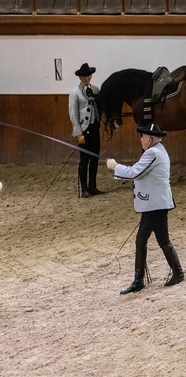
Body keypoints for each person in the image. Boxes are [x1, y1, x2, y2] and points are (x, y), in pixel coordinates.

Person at [106, 123, 184, 294]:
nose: (140, 139)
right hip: (154, 204)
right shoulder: (159, 150)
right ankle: (141, 279)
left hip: (155, 205)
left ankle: (172, 274)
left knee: (159, 239)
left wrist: (115, 166)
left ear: (149, 139)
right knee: (145, 239)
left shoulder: (153, 153)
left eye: (142, 136)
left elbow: (135, 172)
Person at [69, 63, 102, 198]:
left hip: (94, 127)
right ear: (80, 77)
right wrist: (78, 133)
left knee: (95, 157)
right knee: (84, 160)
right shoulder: (74, 93)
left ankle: (92, 186)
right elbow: (73, 114)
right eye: (84, 76)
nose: (87, 78)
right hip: (84, 129)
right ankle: (84, 188)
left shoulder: (95, 89)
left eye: (89, 75)